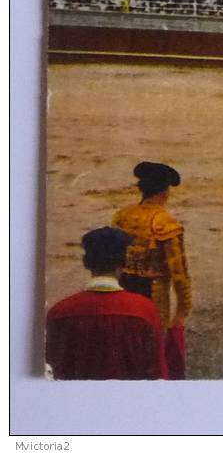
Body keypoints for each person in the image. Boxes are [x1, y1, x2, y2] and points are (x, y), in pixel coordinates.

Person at [46, 227, 165, 380]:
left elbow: (51, 369)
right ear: (123, 263)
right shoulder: (144, 310)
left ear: (86, 263)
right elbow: (155, 371)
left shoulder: (60, 312)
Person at [112, 161, 192, 378]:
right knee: (153, 344)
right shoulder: (165, 222)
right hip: (153, 291)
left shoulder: (122, 216)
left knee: (126, 341)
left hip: (123, 288)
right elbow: (179, 272)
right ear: (165, 191)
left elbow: (114, 259)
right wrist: (183, 310)